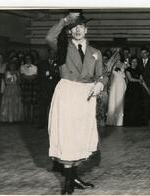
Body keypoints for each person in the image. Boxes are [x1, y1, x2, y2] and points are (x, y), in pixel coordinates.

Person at [46, 12, 108, 194]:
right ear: (69, 31)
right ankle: (68, 181)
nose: (78, 30)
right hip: (67, 92)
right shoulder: (62, 46)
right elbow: (49, 37)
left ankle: (73, 177)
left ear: (87, 30)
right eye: (74, 27)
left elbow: (102, 74)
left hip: (86, 95)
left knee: (79, 136)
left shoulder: (95, 52)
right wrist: (65, 20)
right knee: (66, 136)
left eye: (81, 26)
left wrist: (100, 85)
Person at [37, 48, 60, 128]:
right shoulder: (42, 63)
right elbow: (39, 74)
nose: (52, 55)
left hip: (54, 88)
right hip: (44, 87)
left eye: (54, 54)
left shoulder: (58, 63)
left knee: (53, 106)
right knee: (43, 106)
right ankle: (42, 123)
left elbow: (59, 75)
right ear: (48, 54)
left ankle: (53, 124)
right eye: (51, 53)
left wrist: (51, 74)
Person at [123, 56, 147, 126]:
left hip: (138, 90)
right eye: (133, 61)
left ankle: (137, 123)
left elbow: (142, 81)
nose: (134, 63)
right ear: (130, 62)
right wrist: (139, 80)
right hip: (131, 89)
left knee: (137, 106)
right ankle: (130, 123)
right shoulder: (128, 69)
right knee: (131, 106)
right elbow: (130, 79)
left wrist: (147, 89)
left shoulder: (139, 70)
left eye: (136, 62)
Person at [106, 51, 127, 126]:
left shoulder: (124, 65)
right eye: (116, 56)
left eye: (119, 56)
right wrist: (109, 85)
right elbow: (110, 76)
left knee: (119, 101)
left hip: (121, 83)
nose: (117, 57)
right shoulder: (112, 65)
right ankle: (112, 120)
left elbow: (126, 76)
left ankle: (119, 121)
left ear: (121, 57)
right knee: (112, 101)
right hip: (114, 84)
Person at [137, 47, 150, 125]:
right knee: (140, 104)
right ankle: (140, 120)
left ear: (148, 53)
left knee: (148, 104)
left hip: (148, 87)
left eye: (144, 53)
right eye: (141, 53)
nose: (143, 54)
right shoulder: (138, 62)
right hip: (139, 86)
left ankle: (146, 120)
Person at [20, 54, 39, 123]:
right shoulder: (22, 67)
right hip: (25, 86)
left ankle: (31, 119)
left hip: (32, 86)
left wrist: (27, 77)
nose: (28, 60)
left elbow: (35, 77)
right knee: (25, 103)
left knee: (32, 103)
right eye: (27, 58)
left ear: (31, 59)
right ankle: (25, 119)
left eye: (29, 58)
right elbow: (22, 76)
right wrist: (30, 77)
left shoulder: (35, 67)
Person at [96, 53, 110, 127]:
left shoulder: (107, 68)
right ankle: (97, 121)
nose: (104, 60)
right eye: (103, 58)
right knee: (97, 106)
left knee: (104, 106)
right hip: (97, 89)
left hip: (104, 90)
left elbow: (108, 79)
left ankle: (102, 121)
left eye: (105, 59)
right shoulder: (96, 67)